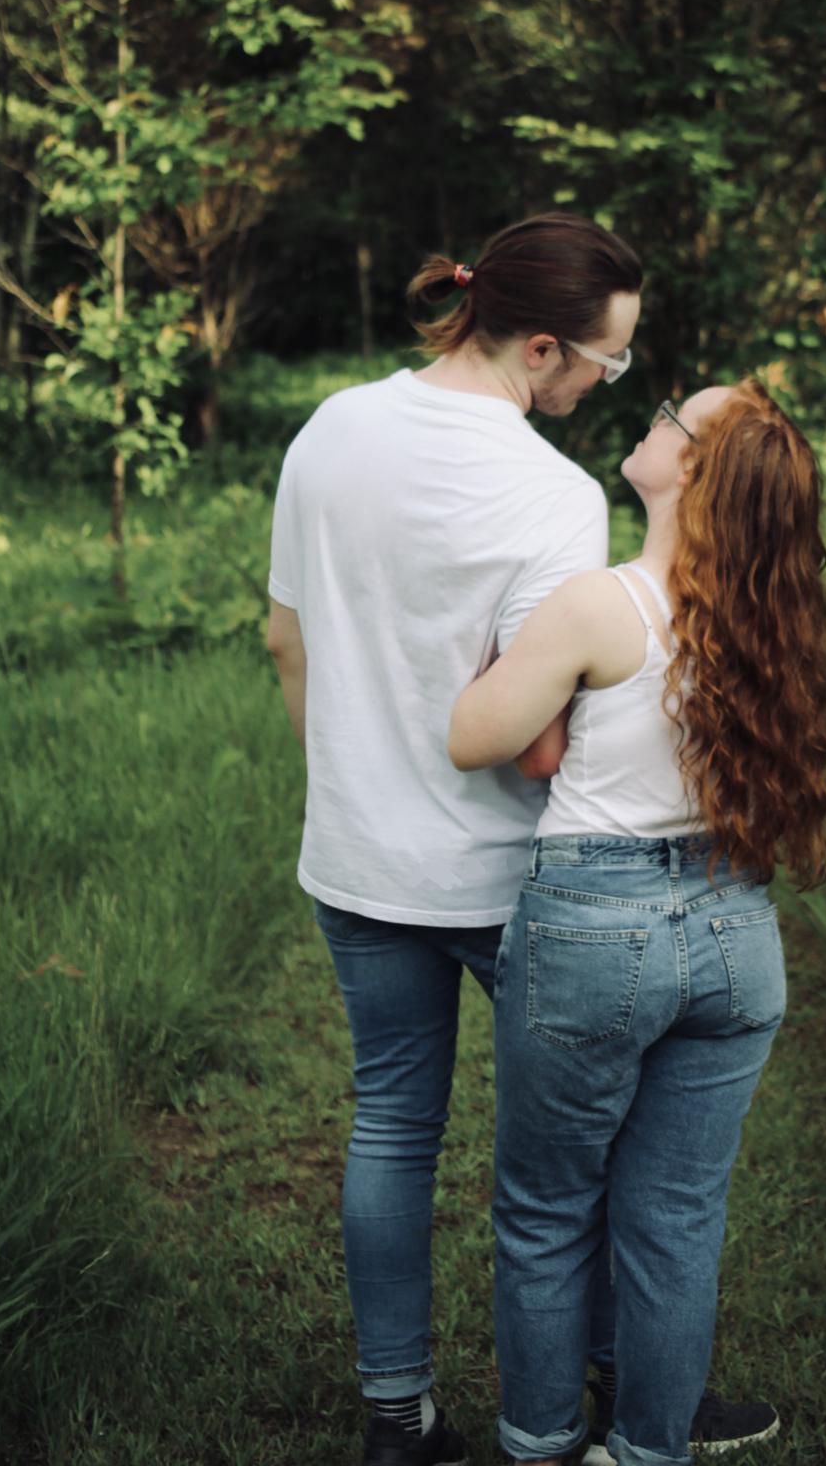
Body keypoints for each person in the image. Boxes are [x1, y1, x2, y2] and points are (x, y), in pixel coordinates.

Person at [266, 212, 642, 1466]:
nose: (604, 386)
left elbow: (287, 636)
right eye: (608, 362)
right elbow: (536, 733)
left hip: (357, 857)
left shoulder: (331, 427)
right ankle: (626, 1383)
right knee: (581, 1148)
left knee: (389, 1122)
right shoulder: (551, 492)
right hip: (506, 874)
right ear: (542, 348)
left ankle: (395, 1417)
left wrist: (353, 774)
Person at [449, 381, 826, 1466]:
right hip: (733, 930)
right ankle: (650, 1449)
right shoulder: (772, 618)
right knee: (674, 1217)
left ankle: (540, 1443)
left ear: (691, 470)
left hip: (593, 926)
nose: (656, 416)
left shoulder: (595, 605)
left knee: (545, 1209)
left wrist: (503, 660)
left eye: (674, 412)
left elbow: (477, 734)